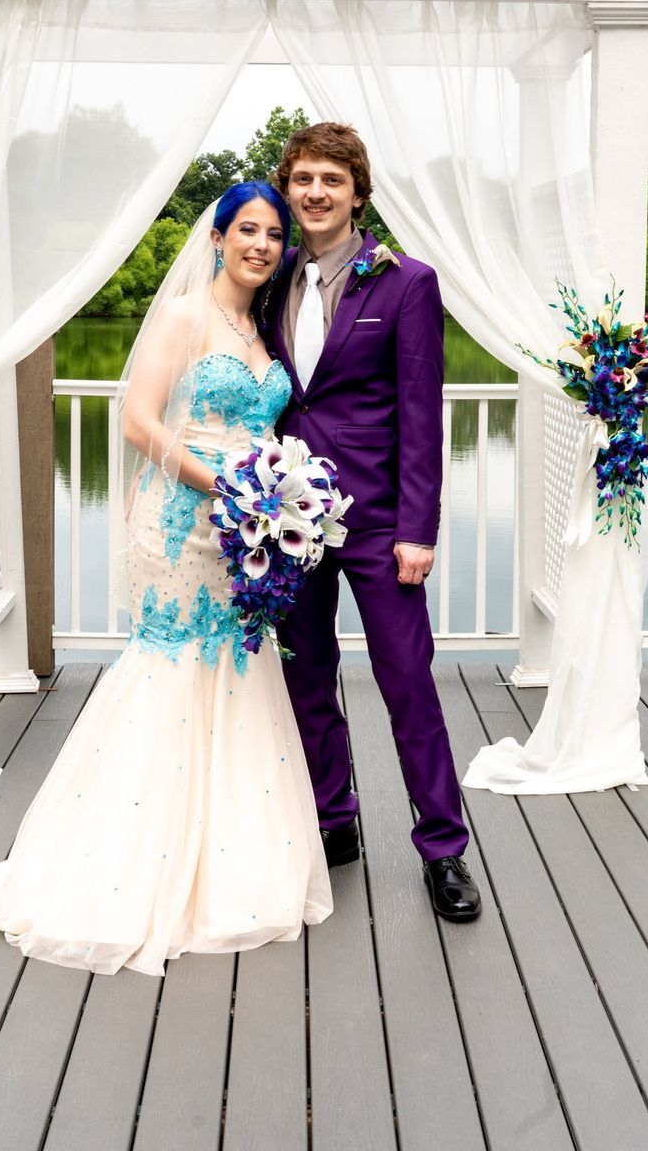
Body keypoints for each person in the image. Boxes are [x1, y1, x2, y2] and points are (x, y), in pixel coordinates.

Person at [0, 182, 332, 976]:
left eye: (273, 234)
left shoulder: (261, 329)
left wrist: (271, 497)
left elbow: (262, 427)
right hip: (180, 521)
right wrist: (221, 487)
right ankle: (125, 865)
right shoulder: (187, 316)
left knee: (234, 664)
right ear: (218, 237)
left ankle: (230, 865)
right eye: (247, 230)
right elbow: (139, 419)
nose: (261, 245)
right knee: (170, 665)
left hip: (245, 530)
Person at [256, 123, 481, 923]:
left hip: (383, 523)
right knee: (305, 676)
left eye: (332, 180)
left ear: (358, 192)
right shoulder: (268, 278)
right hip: (288, 523)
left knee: (408, 683)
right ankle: (335, 819)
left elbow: (423, 415)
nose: (315, 192)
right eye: (303, 178)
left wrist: (419, 528)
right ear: (289, 188)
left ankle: (444, 848)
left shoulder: (406, 283)